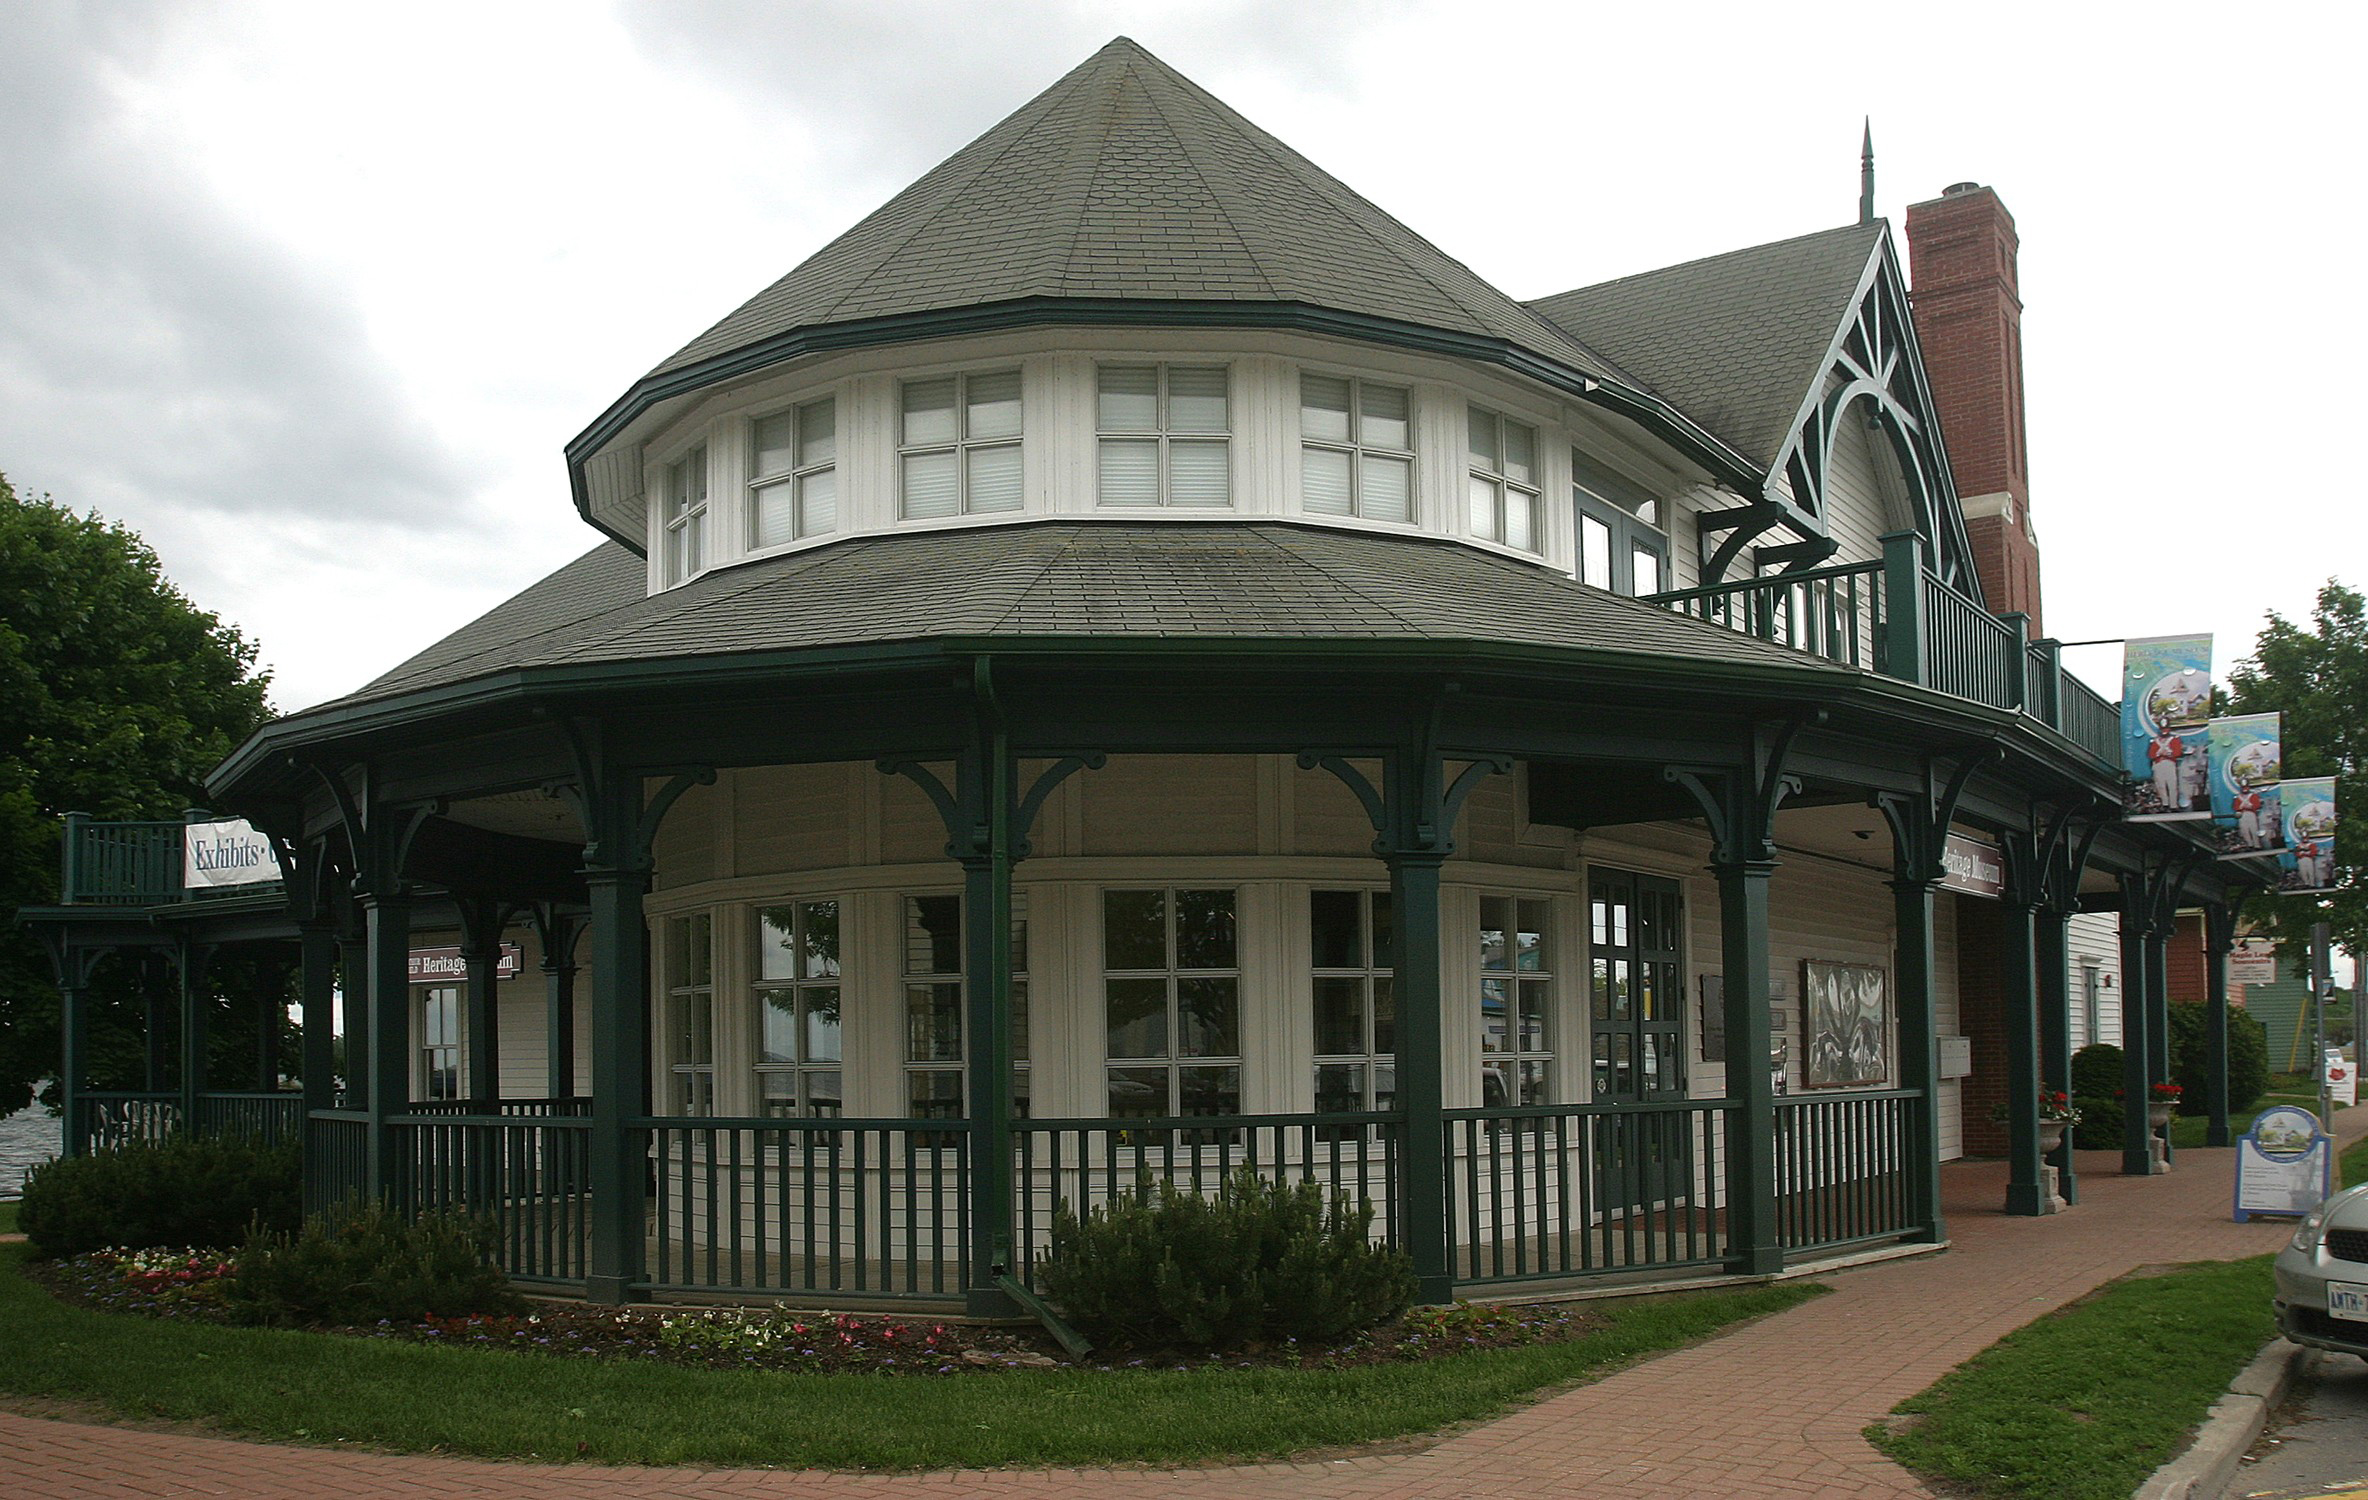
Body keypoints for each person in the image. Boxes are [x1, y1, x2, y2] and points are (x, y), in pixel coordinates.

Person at [2148, 729, 2184, 810]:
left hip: (2169, 764)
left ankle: (2173, 805)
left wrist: (2168, 753)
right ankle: (2165, 803)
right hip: (2158, 764)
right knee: (2160, 785)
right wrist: (2159, 753)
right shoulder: (2155, 741)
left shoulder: (2174, 739)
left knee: (2172, 785)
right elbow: (2151, 754)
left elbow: (2177, 752)